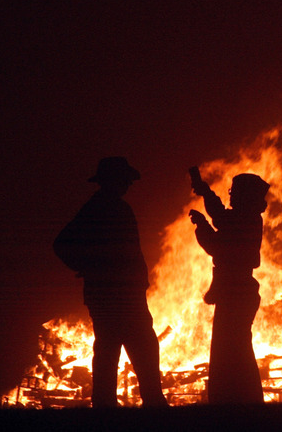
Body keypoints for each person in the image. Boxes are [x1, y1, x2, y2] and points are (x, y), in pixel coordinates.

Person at [53, 157, 168, 408]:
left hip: (112, 293)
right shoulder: (103, 208)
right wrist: (89, 266)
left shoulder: (102, 207)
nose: (128, 184)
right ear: (113, 180)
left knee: (110, 348)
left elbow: (63, 244)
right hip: (119, 295)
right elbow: (61, 244)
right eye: (124, 179)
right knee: (141, 347)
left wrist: (88, 266)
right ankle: (150, 403)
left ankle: (106, 405)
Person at [188, 170, 269, 404]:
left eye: (234, 193)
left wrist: (202, 225)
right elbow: (220, 216)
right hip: (239, 291)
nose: (231, 197)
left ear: (245, 197)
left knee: (230, 351)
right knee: (236, 349)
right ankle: (244, 400)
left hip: (236, 292)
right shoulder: (248, 218)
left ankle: (236, 400)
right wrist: (204, 192)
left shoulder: (244, 220)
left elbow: (217, 242)